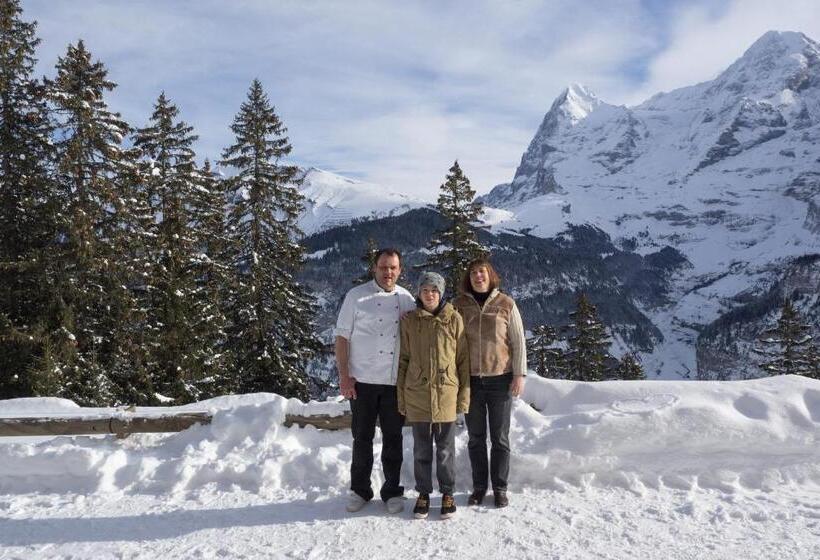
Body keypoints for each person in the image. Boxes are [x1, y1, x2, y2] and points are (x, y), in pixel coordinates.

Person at [335, 248, 416, 514]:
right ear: (375, 268)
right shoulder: (356, 297)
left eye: (393, 267)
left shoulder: (406, 299)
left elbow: (417, 337)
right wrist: (345, 377)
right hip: (362, 381)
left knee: (393, 439)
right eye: (383, 267)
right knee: (362, 438)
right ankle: (360, 490)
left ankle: (392, 491)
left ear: (400, 270)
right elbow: (342, 337)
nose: (388, 272)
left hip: (394, 383)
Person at [452, 257, 527, 508]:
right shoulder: (459, 305)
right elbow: (451, 342)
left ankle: (500, 488)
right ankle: (479, 487)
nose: (478, 276)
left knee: (500, 438)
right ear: (468, 277)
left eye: (481, 271)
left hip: (500, 379)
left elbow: (518, 341)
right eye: (473, 272)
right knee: (475, 437)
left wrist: (519, 374)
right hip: (471, 381)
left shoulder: (506, 304)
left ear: (490, 274)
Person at [397, 272, 469, 520]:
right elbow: (404, 359)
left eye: (434, 291)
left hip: (446, 393)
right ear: (419, 293)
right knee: (421, 450)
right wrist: (401, 397)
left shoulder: (454, 319)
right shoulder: (409, 321)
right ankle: (424, 493)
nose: (430, 294)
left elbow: (463, 361)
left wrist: (464, 397)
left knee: (446, 449)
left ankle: (448, 492)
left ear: (441, 294)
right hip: (417, 393)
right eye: (425, 290)